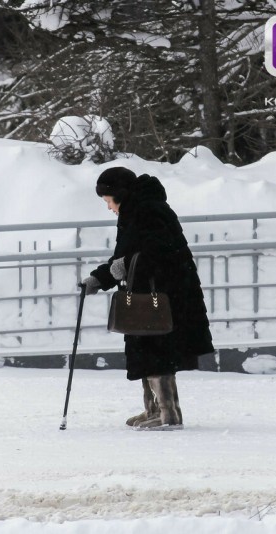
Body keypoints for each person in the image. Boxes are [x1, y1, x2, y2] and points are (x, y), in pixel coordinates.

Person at [81, 167, 214, 431]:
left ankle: (169, 414)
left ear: (119, 194)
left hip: (164, 295)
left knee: (156, 349)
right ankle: (154, 409)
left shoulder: (148, 210)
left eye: (108, 201)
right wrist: (99, 279)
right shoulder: (136, 210)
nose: (108, 207)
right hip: (152, 293)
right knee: (147, 348)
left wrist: (119, 268)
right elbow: (127, 256)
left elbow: (157, 253)